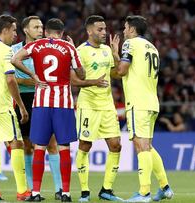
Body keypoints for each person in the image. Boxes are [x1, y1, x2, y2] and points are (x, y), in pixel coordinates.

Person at [12, 18, 85, 202]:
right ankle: (65, 193)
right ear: (61, 33)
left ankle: (35, 192)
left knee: (39, 148)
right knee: (63, 148)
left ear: (46, 32)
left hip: (41, 103)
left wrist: (33, 75)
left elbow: (15, 59)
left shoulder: (37, 46)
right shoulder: (68, 48)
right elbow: (81, 75)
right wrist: (73, 51)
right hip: (64, 104)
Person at [112, 16, 174, 202]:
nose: (123, 31)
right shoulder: (152, 47)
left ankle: (144, 192)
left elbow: (122, 70)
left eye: (125, 28)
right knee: (147, 146)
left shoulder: (130, 44)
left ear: (131, 29)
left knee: (141, 146)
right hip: (151, 101)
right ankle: (165, 187)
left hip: (137, 102)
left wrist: (115, 54)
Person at [0, 14, 36, 201]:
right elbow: (10, 79)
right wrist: (21, 106)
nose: (15, 35)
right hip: (2, 106)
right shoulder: (6, 50)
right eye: (13, 30)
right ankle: (22, 191)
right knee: (16, 143)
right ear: (4, 30)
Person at [12, 16, 63, 200]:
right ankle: (32, 190)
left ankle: (59, 189)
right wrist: (32, 80)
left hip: (44, 98)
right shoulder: (15, 50)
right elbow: (10, 79)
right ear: (26, 30)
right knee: (27, 145)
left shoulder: (50, 48)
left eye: (41, 26)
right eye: (36, 27)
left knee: (51, 143)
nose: (40, 29)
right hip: (23, 99)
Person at [73, 15, 122, 202]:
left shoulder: (107, 51)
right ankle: (85, 192)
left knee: (116, 145)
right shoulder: (80, 51)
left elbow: (116, 74)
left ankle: (106, 190)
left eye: (105, 29)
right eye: (100, 29)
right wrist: (93, 82)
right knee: (85, 145)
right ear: (89, 31)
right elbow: (73, 80)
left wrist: (116, 56)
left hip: (107, 105)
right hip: (89, 106)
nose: (104, 32)